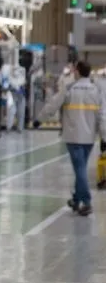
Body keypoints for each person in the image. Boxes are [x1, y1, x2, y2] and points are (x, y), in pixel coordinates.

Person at [33, 60, 106, 216]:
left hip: (73, 136)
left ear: (78, 72)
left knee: (80, 170)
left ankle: (86, 202)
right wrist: (104, 137)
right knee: (81, 168)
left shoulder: (69, 89)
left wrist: (39, 119)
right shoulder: (96, 91)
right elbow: (102, 116)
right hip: (89, 138)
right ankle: (76, 198)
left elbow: (52, 105)